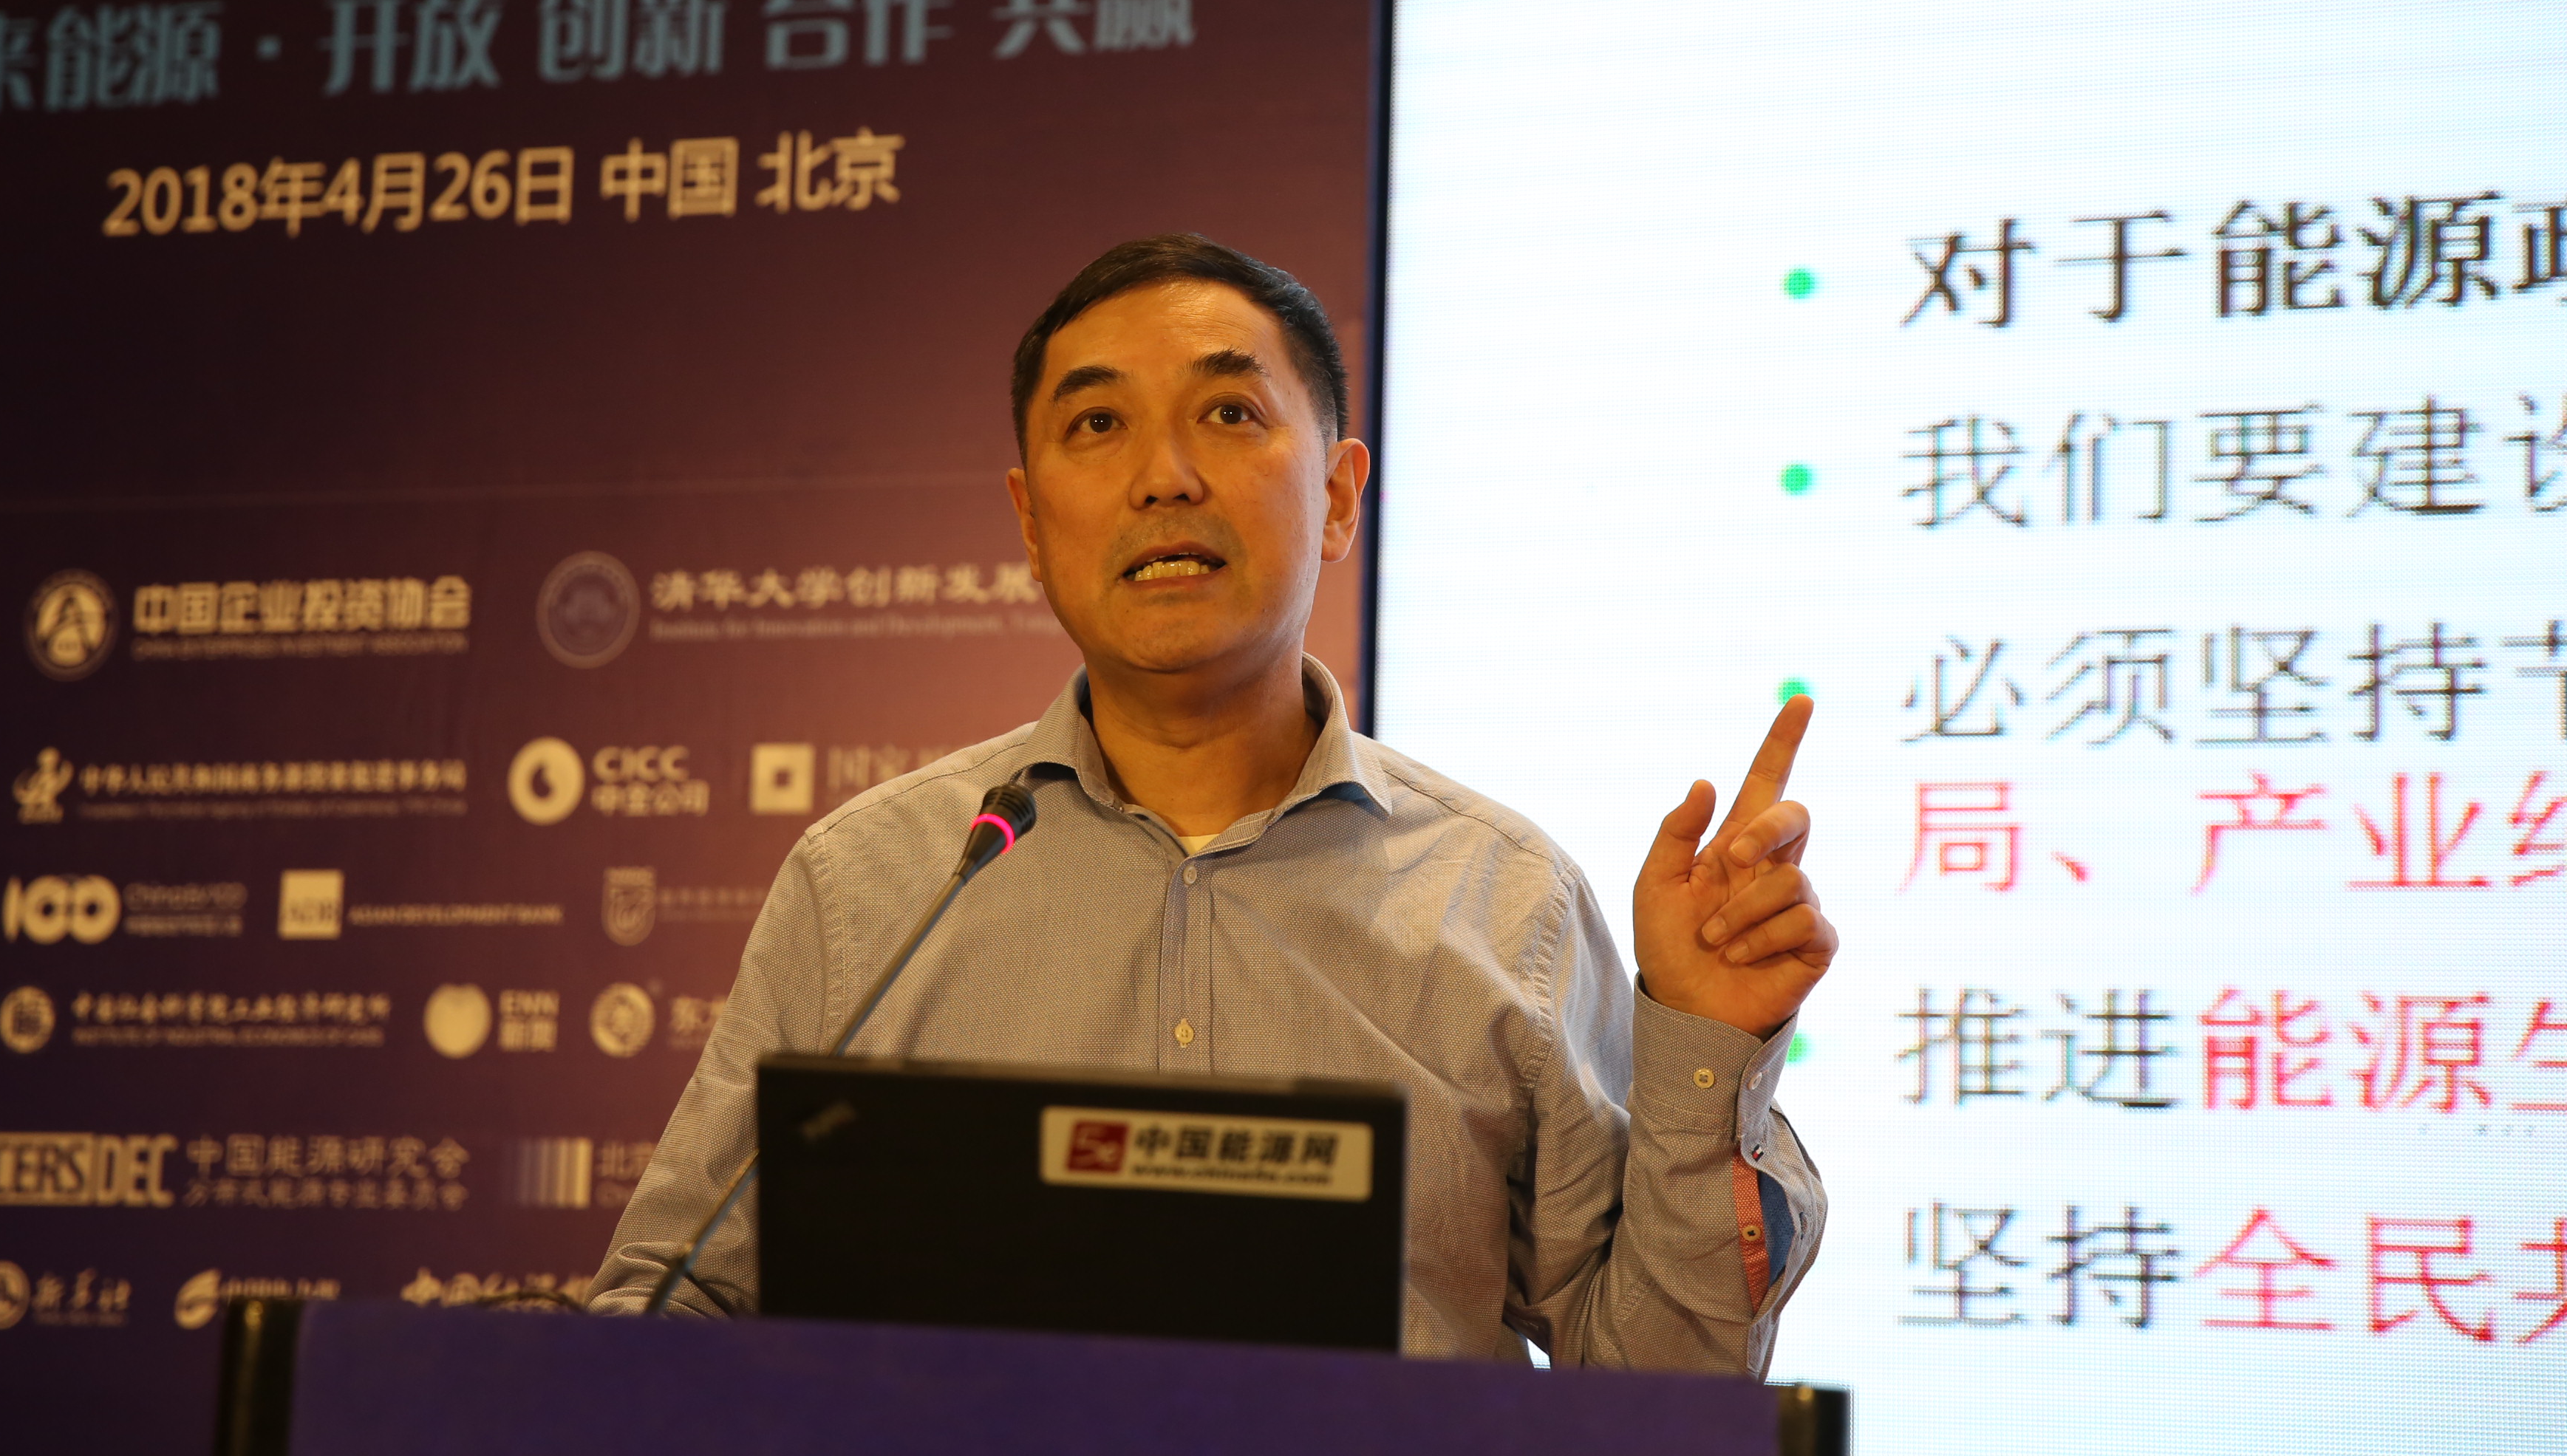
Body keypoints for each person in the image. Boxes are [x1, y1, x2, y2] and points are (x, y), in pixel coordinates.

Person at [587, 235, 1836, 1370]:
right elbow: (670, 1305)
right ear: (1030, 522)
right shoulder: (873, 883)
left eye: (1230, 413)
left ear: (1338, 497)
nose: (1164, 477)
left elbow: (1654, 1393)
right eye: (1097, 426)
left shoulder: (1508, 902)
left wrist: (1702, 1048)